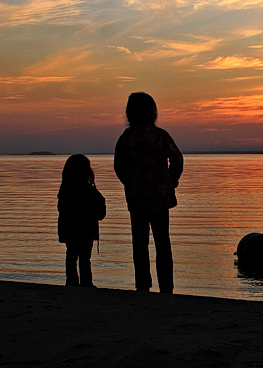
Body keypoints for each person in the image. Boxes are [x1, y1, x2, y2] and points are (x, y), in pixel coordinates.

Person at [114, 92, 183, 294]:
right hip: (160, 196)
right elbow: (177, 158)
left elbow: (119, 166)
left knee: (140, 243)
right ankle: (166, 286)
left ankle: (143, 285)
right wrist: (171, 180)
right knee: (163, 242)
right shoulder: (160, 135)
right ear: (152, 111)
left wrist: (131, 182)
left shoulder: (127, 138)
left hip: (137, 197)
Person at [57, 154, 106, 287]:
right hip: (86, 230)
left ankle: (72, 281)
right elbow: (101, 211)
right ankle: (86, 283)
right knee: (84, 258)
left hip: (70, 229)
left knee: (71, 255)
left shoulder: (65, 191)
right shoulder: (90, 190)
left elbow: (60, 209)